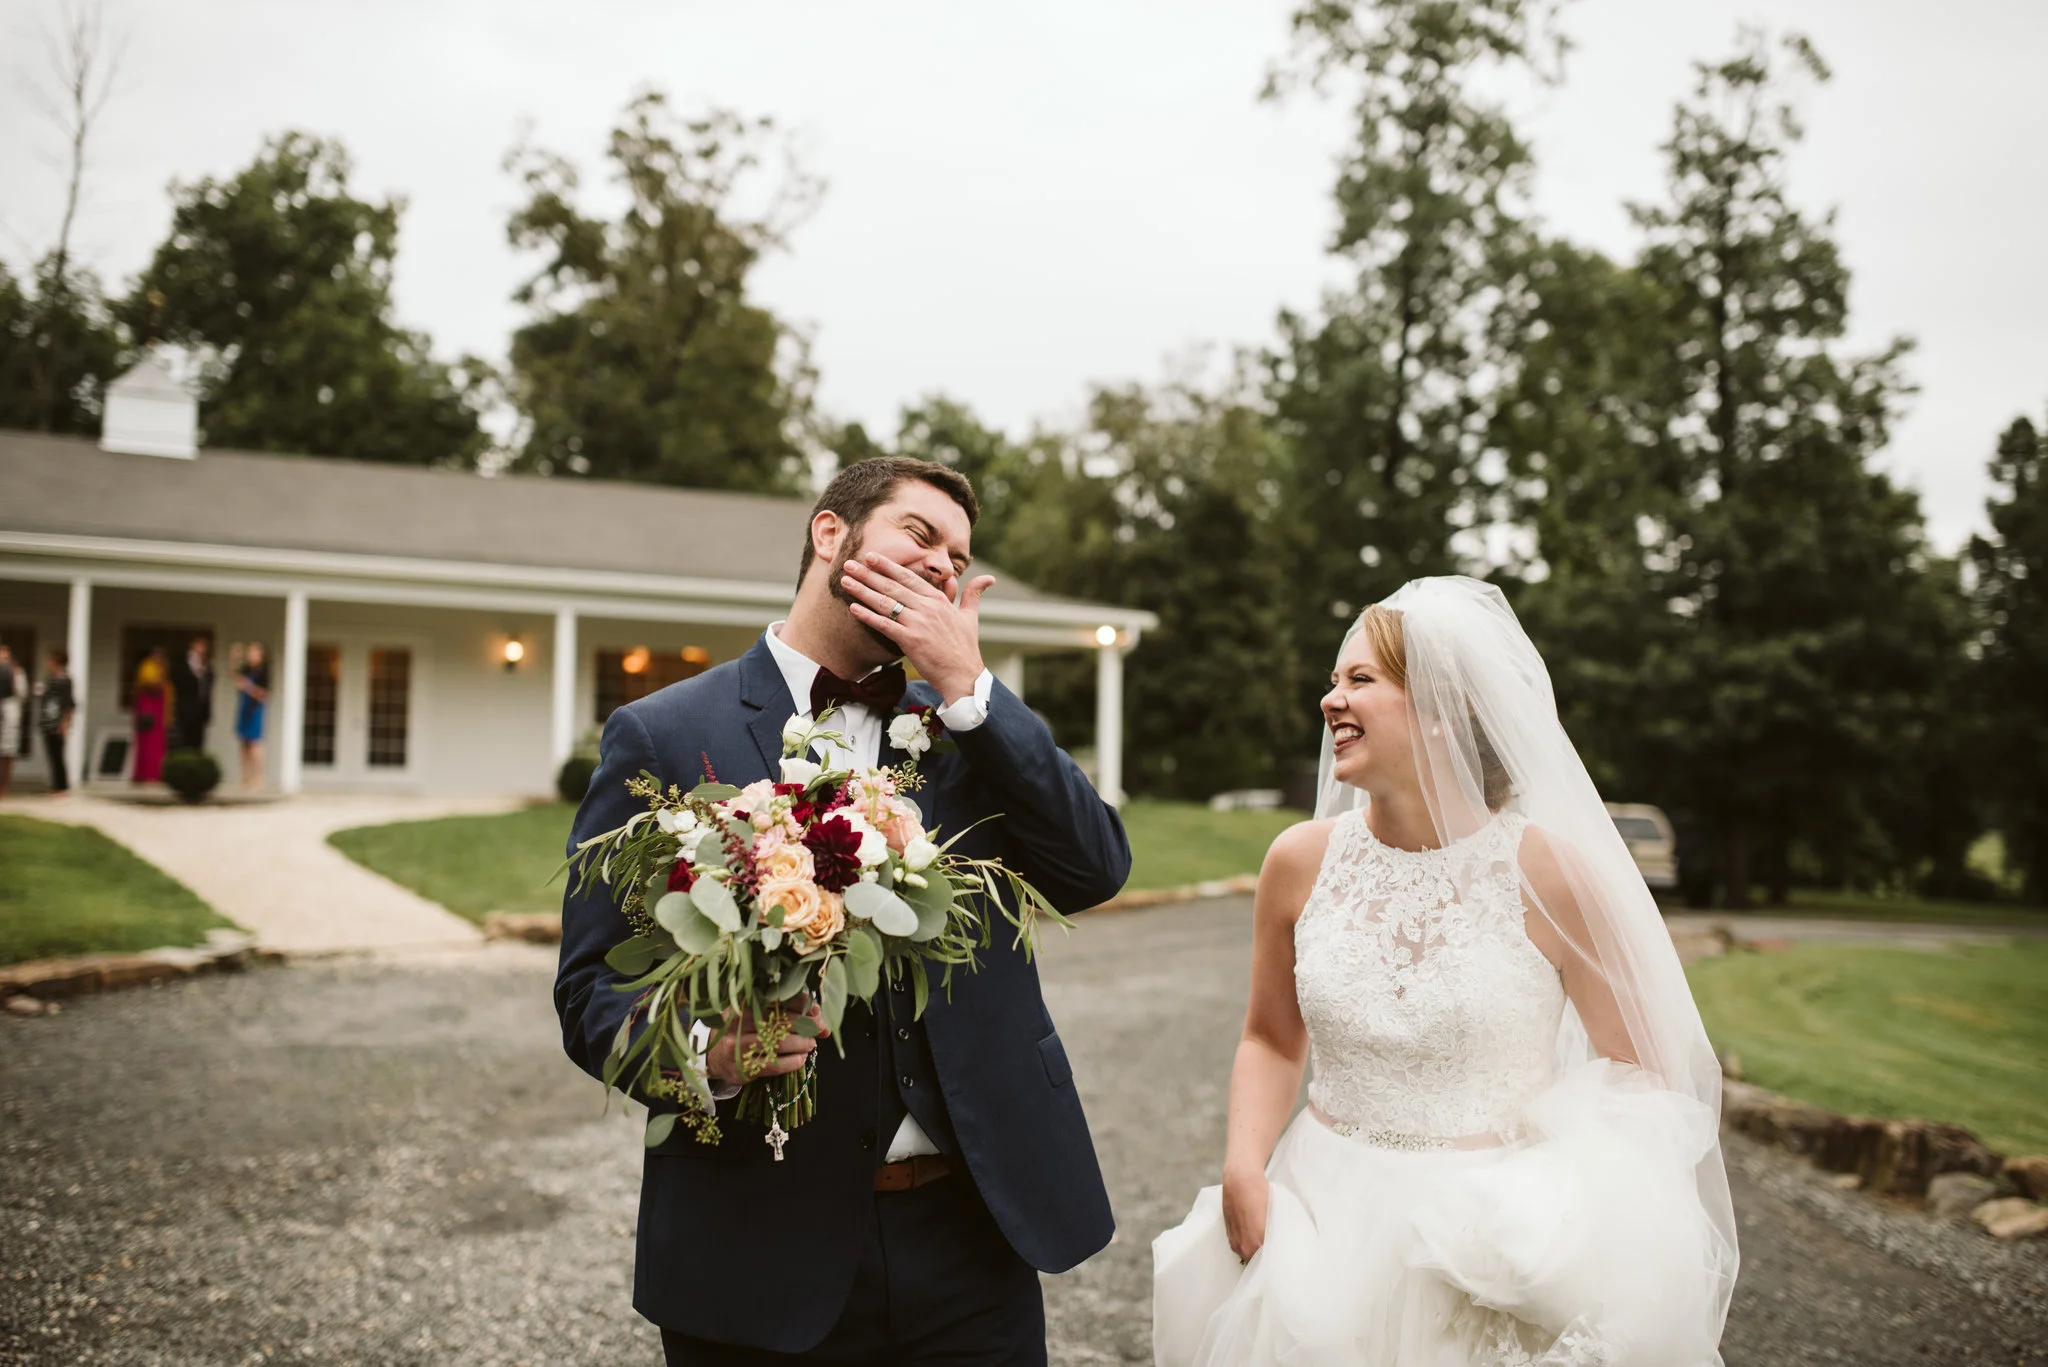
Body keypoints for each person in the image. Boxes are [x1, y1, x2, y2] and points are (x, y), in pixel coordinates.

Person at [556, 457, 1131, 1366]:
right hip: (759, 1245)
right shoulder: (662, 734)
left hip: (973, 1239)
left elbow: (1095, 869)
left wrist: (973, 692)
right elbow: (590, 989)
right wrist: (709, 1051)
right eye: (920, 534)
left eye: (959, 553)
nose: (945, 565)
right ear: (832, 535)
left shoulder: (969, 734)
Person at [1153, 577, 1737, 1367]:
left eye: (1360, 678)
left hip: (1482, 1242)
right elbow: (1269, 1036)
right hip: (1319, 1216)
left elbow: (1642, 1078)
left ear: (1441, 707)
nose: (1331, 699)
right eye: (1334, 678)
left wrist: (1554, 1215)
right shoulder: (1297, 861)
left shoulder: (1550, 873)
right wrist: (1243, 1162)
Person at [36, 650, 76, 796]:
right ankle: (54, 785)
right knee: (51, 755)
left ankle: (62, 786)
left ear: (57, 662)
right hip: (47, 721)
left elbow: (69, 704)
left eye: (50, 660)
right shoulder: (50, 680)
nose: (48, 663)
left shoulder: (65, 681)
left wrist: (65, 723)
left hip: (58, 722)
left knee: (58, 755)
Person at [132, 648, 172, 784]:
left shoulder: (159, 669)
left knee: (158, 746)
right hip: (148, 710)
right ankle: (145, 774)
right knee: (146, 744)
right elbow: (152, 685)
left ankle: (156, 774)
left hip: (159, 713)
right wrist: (161, 675)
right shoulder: (147, 667)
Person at [233, 642, 269, 790]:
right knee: (244, 744)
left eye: (254, 653)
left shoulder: (263, 673)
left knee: (255, 744)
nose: (251, 656)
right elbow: (235, 676)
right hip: (244, 708)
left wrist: (248, 687)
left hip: (255, 710)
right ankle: (245, 777)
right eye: (250, 653)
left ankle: (259, 777)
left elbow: (263, 694)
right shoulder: (246, 670)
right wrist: (234, 657)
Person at [168, 634, 214, 751]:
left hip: (200, 713)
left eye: (204, 647)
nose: (202, 649)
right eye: (199, 646)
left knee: (197, 744)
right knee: (183, 742)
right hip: (185, 710)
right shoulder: (181, 665)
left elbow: (207, 690)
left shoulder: (207, 668)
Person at [0, 644, 25, 800]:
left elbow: (22, 693)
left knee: (7, 751)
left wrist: (13, 676)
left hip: (9, 714)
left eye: (5, 658)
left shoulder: (18, 672)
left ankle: (4, 786)